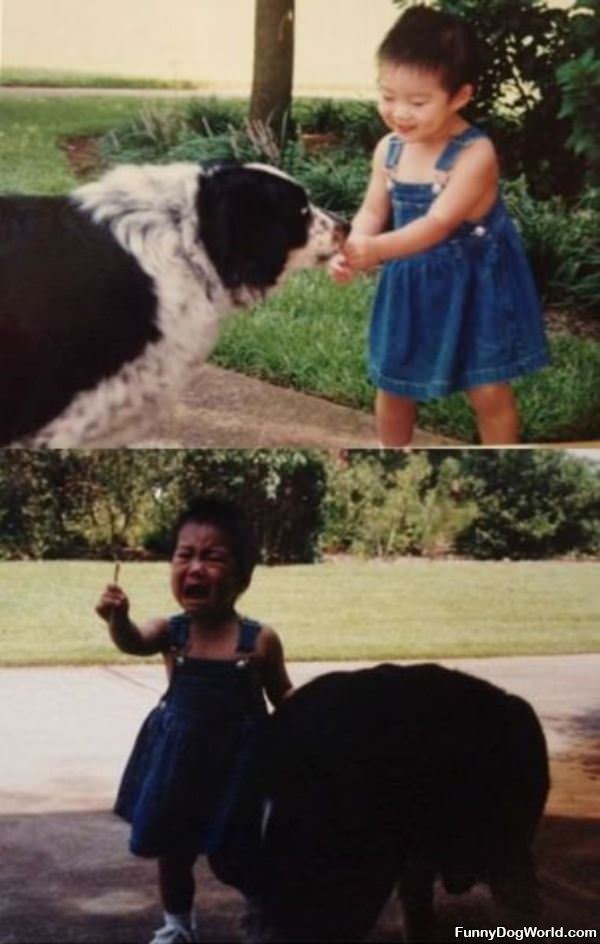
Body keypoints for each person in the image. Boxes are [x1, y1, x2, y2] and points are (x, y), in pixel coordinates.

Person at [330, 5, 549, 446]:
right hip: (410, 283)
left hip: (475, 286)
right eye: (388, 96)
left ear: (460, 97)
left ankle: (500, 462)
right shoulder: (389, 150)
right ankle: (392, 458)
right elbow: (373, 211)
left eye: (417, 102)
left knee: (486, 387)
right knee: (393, 384)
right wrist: (353, 246)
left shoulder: (474, 154)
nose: (399, 113)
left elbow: (438, 224)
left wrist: (376, 251)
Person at [96, 496, 293, 944]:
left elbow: (284, 695)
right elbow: (133, 641)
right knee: (173, 852)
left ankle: (265, 908)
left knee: (237, 854)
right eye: (184, 555)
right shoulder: (172, 631)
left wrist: (316, 717)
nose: (195, 567)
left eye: (213, 556)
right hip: (178, 764)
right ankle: (177, 926)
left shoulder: (258, 640)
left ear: (242, 576)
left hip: (237, 768)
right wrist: (118, 619)